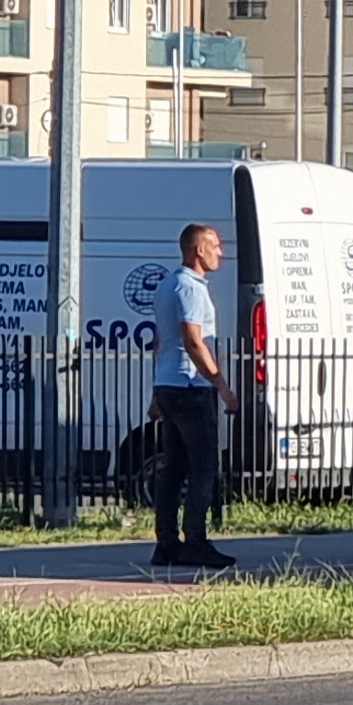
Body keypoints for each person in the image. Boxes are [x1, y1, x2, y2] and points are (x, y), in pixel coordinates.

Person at [152, 221, 237, 571]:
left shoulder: (167, 285)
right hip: (191, 387)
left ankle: (167, 543)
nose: (221, 253)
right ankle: (196, 541)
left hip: (169, 384)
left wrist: (155, 392)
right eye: (215, 246)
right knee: (203, 467)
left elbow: (160, 342)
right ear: (197, 249)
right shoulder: (190, 288)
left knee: (173, 468)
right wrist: (221, 384)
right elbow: (192, 340)